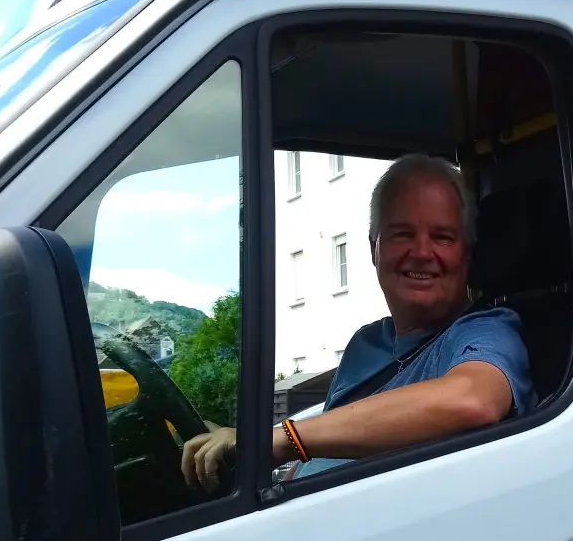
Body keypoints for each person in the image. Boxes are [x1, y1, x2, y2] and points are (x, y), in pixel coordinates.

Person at [180, 154, 536, 491]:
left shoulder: (487, 330)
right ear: (373, 248)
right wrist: (244, 438)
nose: (423, 252)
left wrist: (277, 440)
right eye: (402, 234)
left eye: (442, 237)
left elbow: (474, 400)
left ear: (467, 253)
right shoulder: (366, 343)